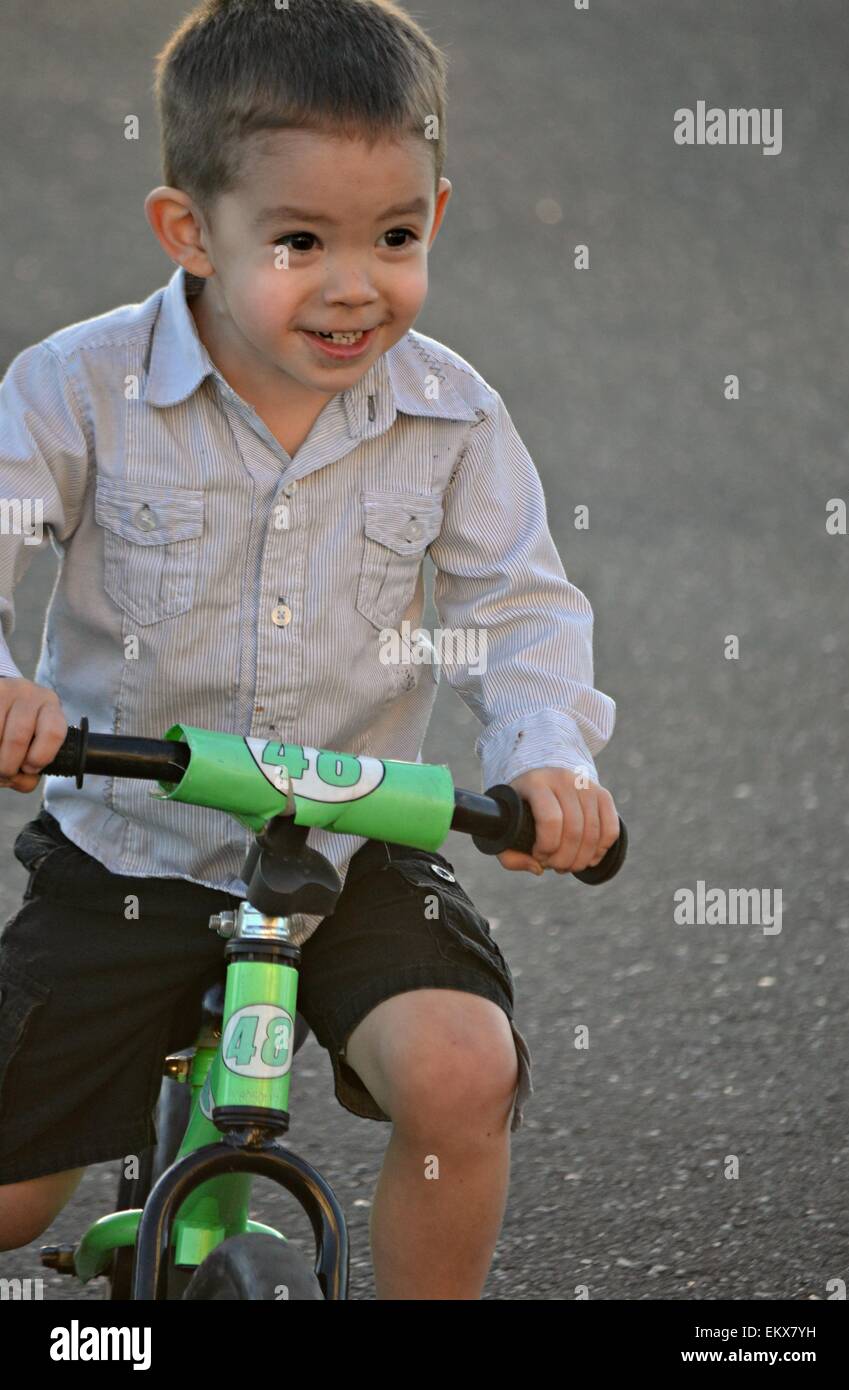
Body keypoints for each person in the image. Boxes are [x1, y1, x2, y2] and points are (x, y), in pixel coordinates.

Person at [0, 0, 618, 1298]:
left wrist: (547, 761)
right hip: (132, 845)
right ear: (190, 230)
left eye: (393, 236)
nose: (355, 283)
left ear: (435, 217)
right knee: (11, 1197)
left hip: (343, 851)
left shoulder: (450, 415)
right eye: (298, 241)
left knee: (463, 1067)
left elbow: (520, 606)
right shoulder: (78, 387)